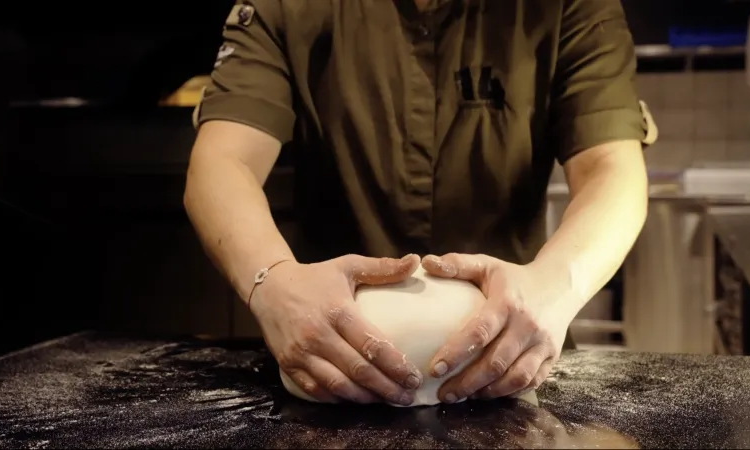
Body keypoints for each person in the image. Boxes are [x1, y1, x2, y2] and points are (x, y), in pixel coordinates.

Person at [184, 0, 657, 407]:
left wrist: (555, 286)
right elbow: (222, 163)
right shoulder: (287, 6)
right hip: (329, 367)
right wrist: (273, 284)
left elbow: (611, 171)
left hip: (512, 362)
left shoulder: (567, 6)